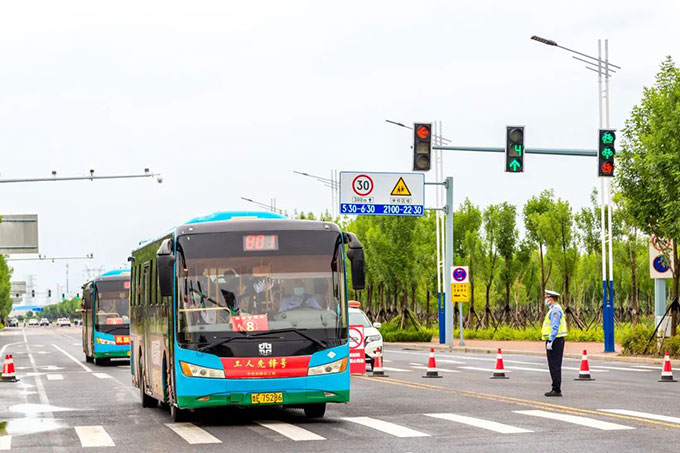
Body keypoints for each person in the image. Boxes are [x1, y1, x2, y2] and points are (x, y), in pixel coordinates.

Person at [543, 290, 568, 397]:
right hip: (556, 340)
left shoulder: (555, 311)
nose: (545, 300)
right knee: (553, 365)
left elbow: (555, 326)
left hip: (555, 340)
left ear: (551, 299)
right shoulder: (553, 309)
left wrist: (551, 340)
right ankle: (555, 388)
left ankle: (556, 389)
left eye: (546, 298)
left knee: (554, 365)